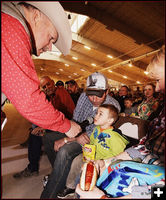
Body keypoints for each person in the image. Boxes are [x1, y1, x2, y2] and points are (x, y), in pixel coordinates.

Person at [75, 46, 165, 199]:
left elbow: (157, 192)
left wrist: (105, 198)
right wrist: (106, 161)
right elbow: (144, 148)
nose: (156, 87)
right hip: (146, 170)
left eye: (158, 80)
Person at [1, 1, 81, 137]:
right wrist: (66, 125)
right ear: (36, 16)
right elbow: (28, 99)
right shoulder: (11, 28)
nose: (50, 48)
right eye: (51, 38)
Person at [40, 72, 121, 198]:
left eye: (98, 95)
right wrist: (68, 133)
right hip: (78, 132)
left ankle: (51, 192)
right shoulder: (83, 96)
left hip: (91, 140)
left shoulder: (113, 106)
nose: (93, 99)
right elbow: (76, 119)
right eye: (90, 95)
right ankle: (59, 173)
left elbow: (93, 134)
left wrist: (66, 140)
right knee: (48, 138)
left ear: (107, 91)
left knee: (65, 151)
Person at [57, 104, 129, 198]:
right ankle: (70, 186)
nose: (95, 116)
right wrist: (87, 150)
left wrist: (105, 163)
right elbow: (92, 142)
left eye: (100, 114)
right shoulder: (96, 129)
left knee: (84, 177)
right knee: (77, 160)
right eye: (96, 113)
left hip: (103, 163)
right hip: (92, 157)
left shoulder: (115, 137)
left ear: (110, 120)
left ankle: (80, 193)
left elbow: (120, 155)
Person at [13, 76, 75, 178]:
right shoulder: (52, 96)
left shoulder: (61, 93)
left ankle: (35, 168)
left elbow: (61, 117)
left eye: (48, 84)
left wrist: (44, 128)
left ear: (53, 82)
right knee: (34, 131)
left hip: (69, 126)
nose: (47, 88)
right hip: (61, 125)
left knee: (36, 136)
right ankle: (33, 167)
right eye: (44, 87)